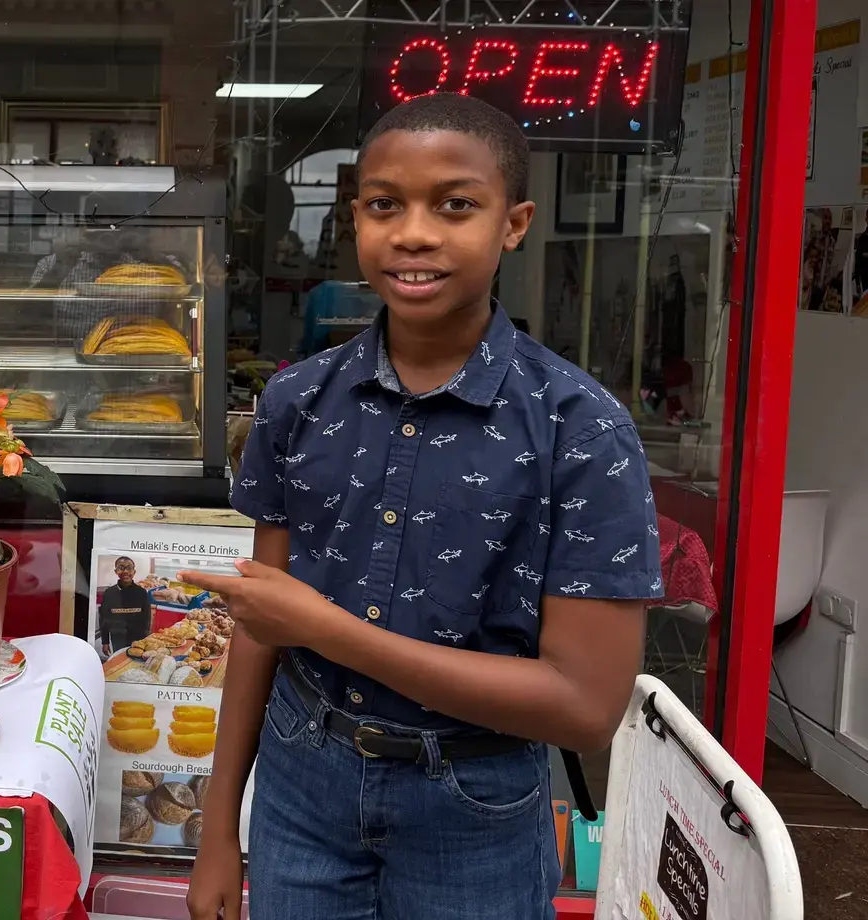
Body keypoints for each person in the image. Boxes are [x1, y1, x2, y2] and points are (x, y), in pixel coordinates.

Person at [181, 93, 663, 920]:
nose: (413, 232)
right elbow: (265, 628)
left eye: (455, 205)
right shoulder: (298, 401)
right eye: (384, 204)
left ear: (513, 224)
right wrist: (218, 829)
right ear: (354, 218)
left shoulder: (579, 430)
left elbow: (585, 709)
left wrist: (330, 631)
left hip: (473, 803)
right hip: (303, 780)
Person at [98, 556, 151, 657]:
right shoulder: (109, 593)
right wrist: (105, 642)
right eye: (121, 568)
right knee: (119, 660)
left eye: (129, 568)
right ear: (116, 571)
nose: (125, 571)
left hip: (138, 638)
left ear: (134, 572)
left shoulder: (142, 592)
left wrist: (146, 638)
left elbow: (147, 618)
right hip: (117, 637)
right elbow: (104, 618)